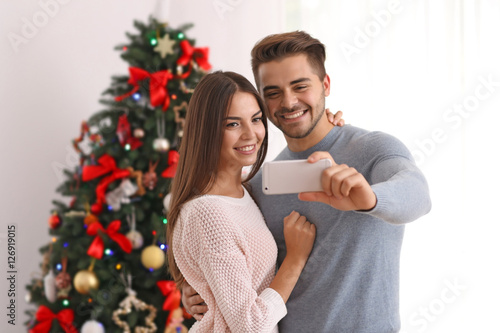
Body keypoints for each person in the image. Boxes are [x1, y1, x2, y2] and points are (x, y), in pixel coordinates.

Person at [182, 31, 432, 332]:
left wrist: (369, 199)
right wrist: (197, 286)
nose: (288, 102)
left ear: (325, 85)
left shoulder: (372, 150)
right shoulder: (260, 184)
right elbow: (247, 266)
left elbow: (417, 194)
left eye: (300, 86)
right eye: (272, 92)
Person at [167, 71, 327, 332]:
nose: (251, 134)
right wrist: (295, 258)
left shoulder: (245, 192)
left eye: (255, 119)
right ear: (206, 131)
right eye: (232, 124)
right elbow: (250, 325)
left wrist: (328, 123)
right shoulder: (207, 212)